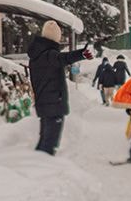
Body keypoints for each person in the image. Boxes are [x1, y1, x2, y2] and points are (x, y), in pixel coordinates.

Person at [27, 20, 92, 155]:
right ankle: (42, 165)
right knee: (49, 144)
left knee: (45, 141)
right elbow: (64, 58)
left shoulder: (37, 55)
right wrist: (81, 54)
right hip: (53, 104)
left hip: (44, 103)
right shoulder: (49, 55)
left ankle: (36, 162)